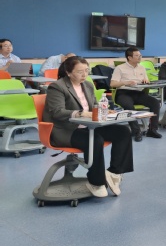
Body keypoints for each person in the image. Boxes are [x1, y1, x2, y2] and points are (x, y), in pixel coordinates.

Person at [42, 56, 133, 198]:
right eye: (80, 72)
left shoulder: (88, 85)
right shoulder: (57, 87)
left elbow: (93, 106)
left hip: (88, 125)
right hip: (66, 130)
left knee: (123, 131)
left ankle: (114, 173)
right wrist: (81, 113)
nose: (84, 74)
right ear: (68, 72)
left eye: (86, 70)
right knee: (95, 140)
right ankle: (96, 182)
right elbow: (57, 112)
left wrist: (104, 110)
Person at [111, 47, 162, 141]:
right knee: (128, 105)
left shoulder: (142, 68)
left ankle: (152, 130)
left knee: (155, 103)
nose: (140, 57)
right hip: (124, 93)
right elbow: (113, 84)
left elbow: (146, 80)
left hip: (138, 93)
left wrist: (146, 81)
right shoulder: (120, 68)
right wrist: (125, 82)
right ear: (129, 57)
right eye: (137, 55)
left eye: (140, 55)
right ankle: (136, 131)